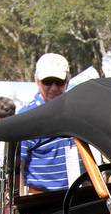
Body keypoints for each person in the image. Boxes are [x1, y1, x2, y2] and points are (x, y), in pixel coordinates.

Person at [17, 53, 74, 193]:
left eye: (59, 82)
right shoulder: (26, 117)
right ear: (37, 82)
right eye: (48, 82)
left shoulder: (76, 111)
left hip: (77, 195)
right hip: (42, 199)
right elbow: (19, 165)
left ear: (67, 82)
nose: (54, 88)